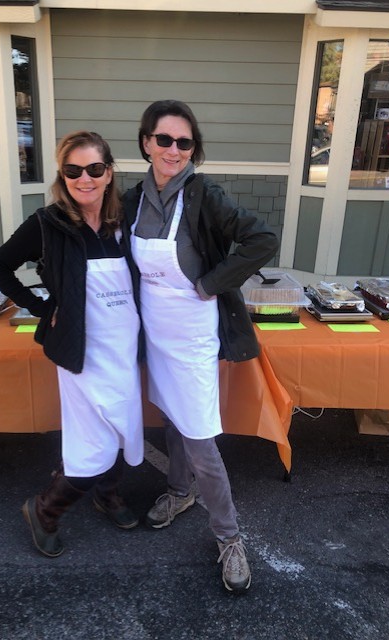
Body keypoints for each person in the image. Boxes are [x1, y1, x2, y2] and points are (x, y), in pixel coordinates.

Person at [122, 100, 279, 593]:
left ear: (194, 149)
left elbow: (261, 240)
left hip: (191, 329)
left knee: (199, 434)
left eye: (183, 142)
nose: (173, 149)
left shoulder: (205, 194)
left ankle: (229, 535)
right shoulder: (130, 200)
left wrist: (211, 283)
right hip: (154, 327)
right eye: (163, 139)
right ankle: (178, 490)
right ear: (146, 141)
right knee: (171, 413)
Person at [0, 130, 144, 558]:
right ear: (63, 175)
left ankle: (106, 494)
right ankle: (44, 511)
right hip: (80, 351)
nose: (84, 179)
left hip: (124, 347)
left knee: (122, 426)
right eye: (73, 171)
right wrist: (39, 308)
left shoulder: (124, 220)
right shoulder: (46, 223)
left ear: (109, 173)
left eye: (94, 169)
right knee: (92, 439)